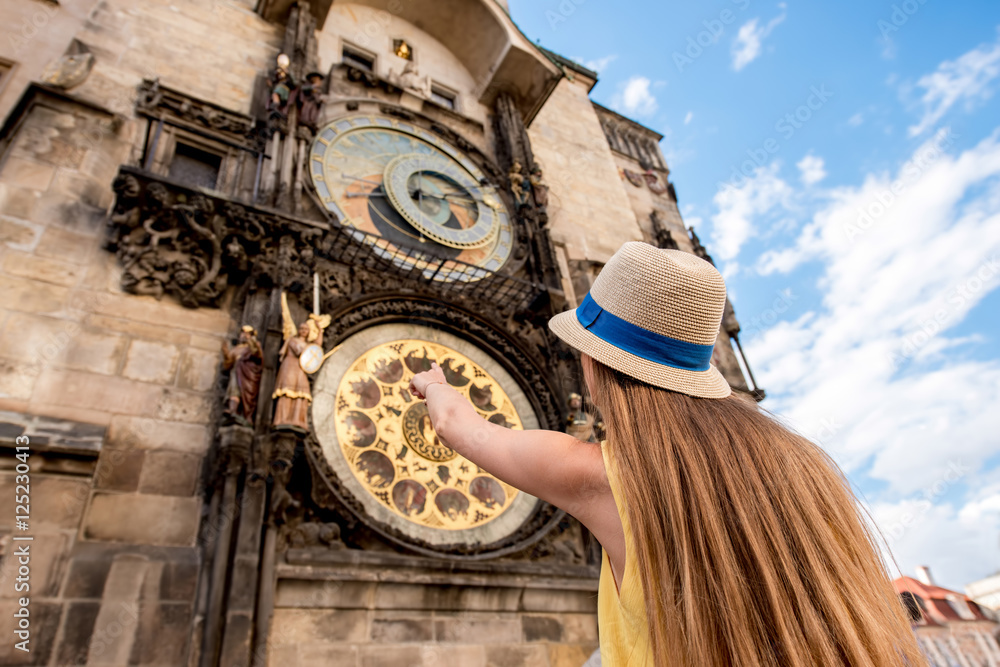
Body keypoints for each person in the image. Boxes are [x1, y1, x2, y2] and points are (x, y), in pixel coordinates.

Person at [410, 242, 923, 666]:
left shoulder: (599, 475)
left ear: (595, 361)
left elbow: (460, 427)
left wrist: (433, 383)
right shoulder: (803, 464)